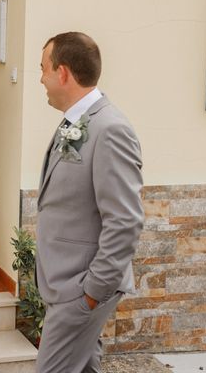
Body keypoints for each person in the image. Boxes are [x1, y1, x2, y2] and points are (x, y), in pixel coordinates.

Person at [35, 32, 144, 372]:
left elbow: (125, 221)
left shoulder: (110, 129)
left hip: (80, 287)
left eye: (43, 68)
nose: (41, 78)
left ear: (63, 73)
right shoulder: (77, 121)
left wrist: (92, 292)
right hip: (66, 282)